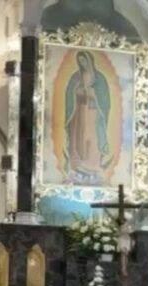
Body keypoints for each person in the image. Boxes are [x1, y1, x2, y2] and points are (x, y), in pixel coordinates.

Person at [64, 50, 112, 185]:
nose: (83, 63)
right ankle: (78, 168)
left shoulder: (99, 79)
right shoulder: (75, 78)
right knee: (78, 138)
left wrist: (94, 95)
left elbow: (105, 101)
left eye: (84, 60)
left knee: (91, 138)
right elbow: (69, 94)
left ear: (90, 61)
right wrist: (76, 92)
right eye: (80, 61)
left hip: (93, 114)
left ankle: (93, 167)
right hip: (78, 113)